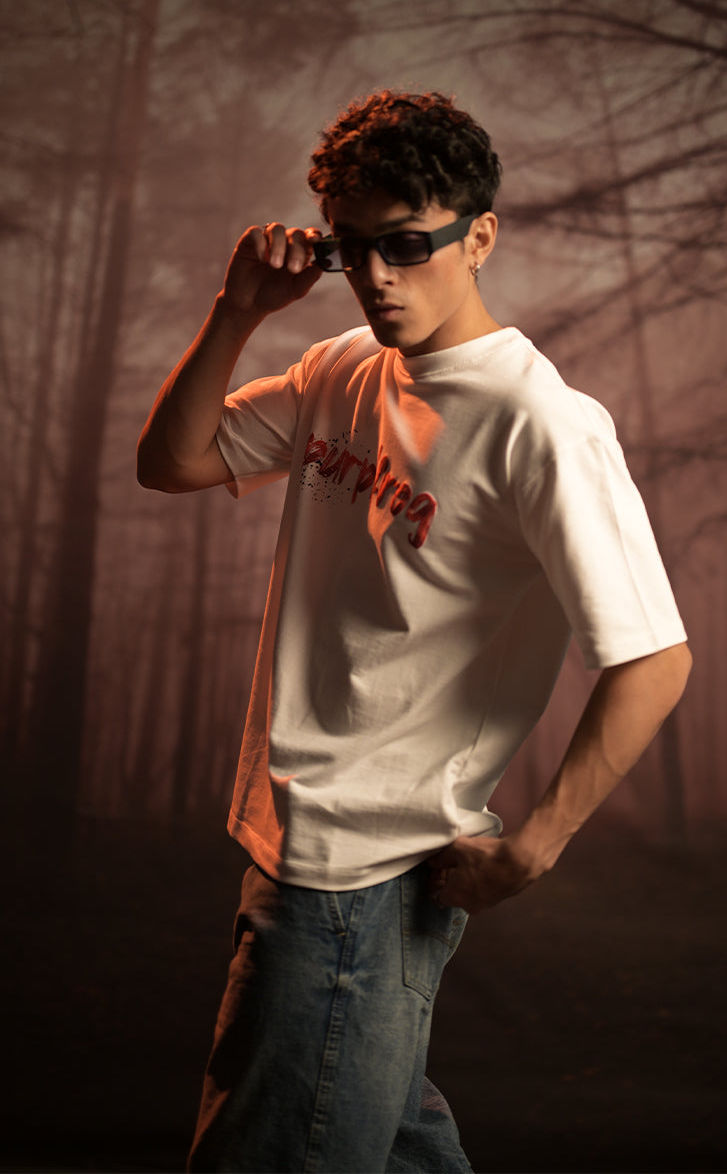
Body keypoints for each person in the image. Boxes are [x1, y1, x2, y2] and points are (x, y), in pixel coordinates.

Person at [137, 89, 691, 1173]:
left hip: (366, 877)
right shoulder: (343, 366)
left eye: (405, 245)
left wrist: (534, 844)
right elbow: (174, 461)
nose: (376, 276)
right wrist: (237, 311)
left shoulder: (542, 425)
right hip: (296, 844)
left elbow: (654, 659)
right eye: (351, 248)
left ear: (478, 237)